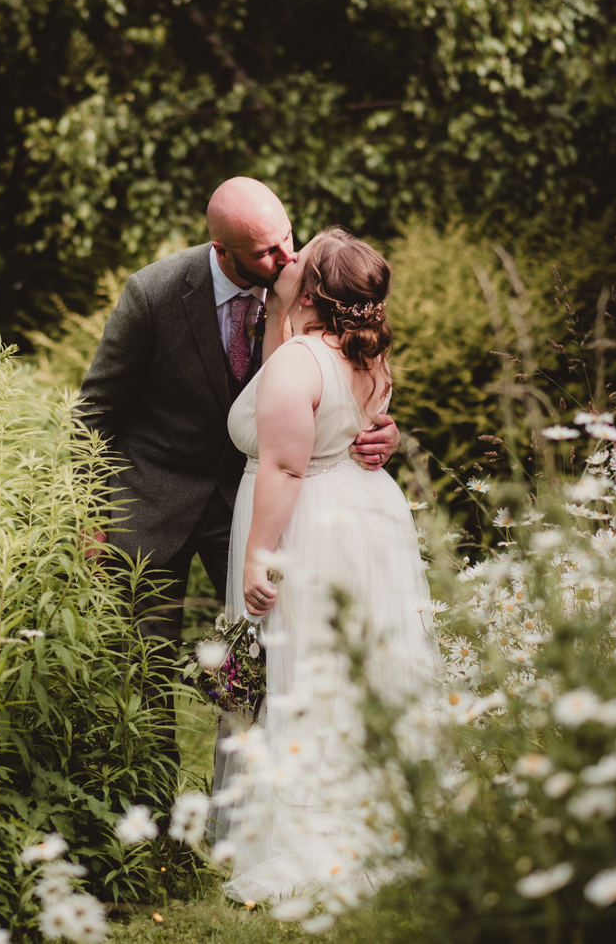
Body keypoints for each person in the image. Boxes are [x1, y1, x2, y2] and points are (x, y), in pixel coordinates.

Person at [76, 179, 400, 769]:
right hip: (151, 501)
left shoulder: (311, 280)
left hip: (261, 507)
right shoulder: (154, 293)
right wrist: (86, 513)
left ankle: (271, 797)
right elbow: (94, 410)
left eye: (288, 240)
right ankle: (154, 827)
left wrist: (381, 429)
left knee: (275, 657)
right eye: (266, 253)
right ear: (221, 249)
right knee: (143, 668)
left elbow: (346, 372)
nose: (286, 260)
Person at [216, 226, 437, 905]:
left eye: (298, 262)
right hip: (364, 513)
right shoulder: (367, 356)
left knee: (301, 672)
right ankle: (378, 819)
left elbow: (285, 464)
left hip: (303, 522)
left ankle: (307, 839)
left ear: (311, 289)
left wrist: (260, 557)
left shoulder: (296, 360)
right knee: (352, 670)